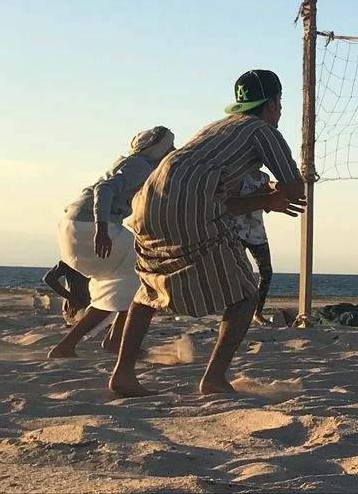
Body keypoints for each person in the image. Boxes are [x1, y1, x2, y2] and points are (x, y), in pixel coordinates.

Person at [109, 70, 306, 397]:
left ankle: (123, 374)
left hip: (148, 202)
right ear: (272, 104)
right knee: (245, 294)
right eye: (280, 104)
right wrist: (278, 189)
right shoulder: (263, 130)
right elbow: (295, 188)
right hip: (190, 203)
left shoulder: (213, 129)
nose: (280, 111)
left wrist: (265, 201)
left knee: (149, 287)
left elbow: (219, 201)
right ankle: (214, 378)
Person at [48, 127, 176, 358]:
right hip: (90, 226)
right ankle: (114, 341)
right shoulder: (142, 165)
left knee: (120, 285)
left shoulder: (134, 164)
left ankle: (73, 345)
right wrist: (102, 228)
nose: (173, 151)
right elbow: (104, 189)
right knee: (145, 277)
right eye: (169, 147)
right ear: (158, 149)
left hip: (74, 225)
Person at [234, 168, 275, 325]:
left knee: (266, 272)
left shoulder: (265, 177)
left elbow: (267, 208)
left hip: (257, 232)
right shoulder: (240, 176)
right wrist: (260, 193)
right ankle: (237, 312)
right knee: (241, 273)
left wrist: (274, 194)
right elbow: (237, 201)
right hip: (239, 231)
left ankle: (257, 312)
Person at [43, 261, 91, 326]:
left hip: (96, 306)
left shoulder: (98, 258)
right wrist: (71, 298)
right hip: (77, 307)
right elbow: (49, 278)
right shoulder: (72, 258)